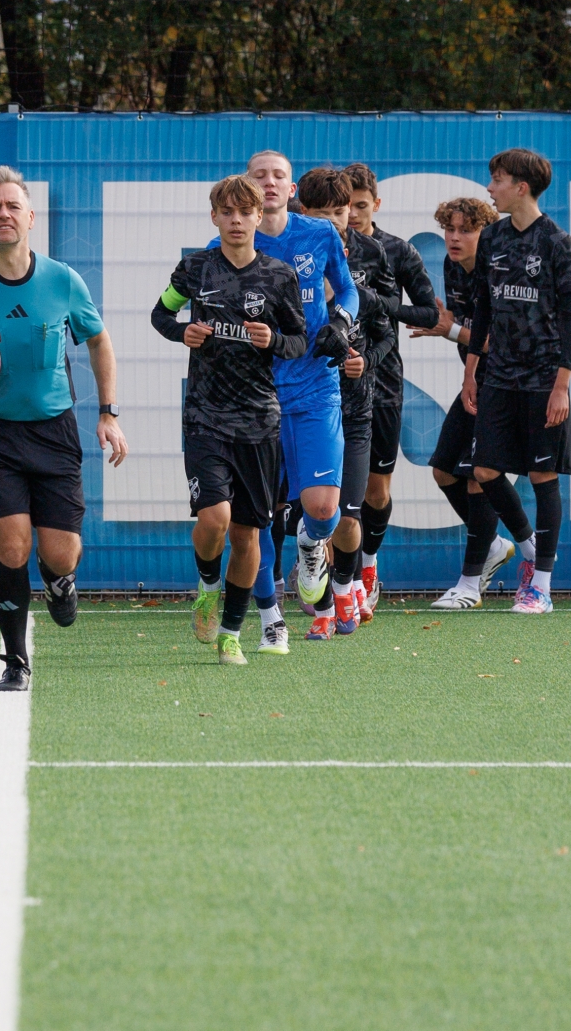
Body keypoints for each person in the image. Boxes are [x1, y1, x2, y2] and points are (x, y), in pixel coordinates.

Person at [0, 165, 127, 693]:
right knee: (12, 547)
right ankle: (15, 661)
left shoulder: (62, 280)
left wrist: (108, 412)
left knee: (60, 553)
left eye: (13, 206)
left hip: (53, 431)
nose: (4, 214)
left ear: (31, 217)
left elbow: (99, 341)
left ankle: (60, 581)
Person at [155, 174, 308, 664]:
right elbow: (161, 314)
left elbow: (298, 341)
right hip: (205, 415)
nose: (237, 220)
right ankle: (207, 585)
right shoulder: (195, 268)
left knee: (246, 535)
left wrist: (273, 341)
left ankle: (231, 633)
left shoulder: (280, 276)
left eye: (245, 212)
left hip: (259, 421)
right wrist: (182, 332)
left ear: (259, 217)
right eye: (228, 212)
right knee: (215, 518)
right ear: (214, 217)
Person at [219, 151, 357, 654]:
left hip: (315, 387)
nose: (270, 183)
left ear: (292, 188)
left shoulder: (319, 234)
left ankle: (310, 544)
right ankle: (270, 617)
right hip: (255, 397)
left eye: (279, 175)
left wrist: (341, 323)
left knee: (322, 508)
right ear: (247, 186)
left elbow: (348, 290)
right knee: (255, 519)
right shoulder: (225, 248)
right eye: (260, 176)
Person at [460, 148, 571, 615]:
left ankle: (541, 586)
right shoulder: (492, 237)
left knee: (542, 475)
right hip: (499, 378)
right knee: (484, 471)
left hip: (544, 379)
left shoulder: (557, 241)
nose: (490, 188)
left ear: (521, 187)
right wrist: (471, 370)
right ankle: (530, 548)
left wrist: (561, 385)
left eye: (498, 180)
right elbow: (483, 307)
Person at [293, 166, 394, 638]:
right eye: (324, 213)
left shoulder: (362, 279)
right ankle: (322, 609)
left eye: (341, 212)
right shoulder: (287, 275)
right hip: (305, 409)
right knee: (311, 516)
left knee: (349, 518)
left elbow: (385, 333)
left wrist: (364, 362)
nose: (336, 222)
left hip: (354, 412)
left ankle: (347, 587)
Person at [342, 163, 443, 613]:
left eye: (361, 206)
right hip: (326, 384)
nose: (353, 214)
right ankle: (336, 580)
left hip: (381, 383)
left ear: (376, 204)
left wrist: (379, 305)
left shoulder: (395, 250)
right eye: (345, 206)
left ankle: (368, 565)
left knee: (376, 492)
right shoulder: (318, 247)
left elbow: (429, 313)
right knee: (328, 489)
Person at [412, 197, 518, 610]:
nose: (454, 238)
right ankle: (493, 545)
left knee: (479, 475)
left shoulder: (500, 270)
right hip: (477, 382)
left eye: (466, 230)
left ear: (485, 233)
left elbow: (502, 342)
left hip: (508, 384)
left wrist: (451, 330)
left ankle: (470, 585)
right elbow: (461, 323)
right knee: (443, 470)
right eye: (449, 229)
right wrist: (443, 324)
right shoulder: (452, 265)